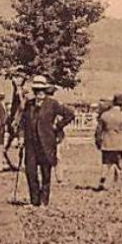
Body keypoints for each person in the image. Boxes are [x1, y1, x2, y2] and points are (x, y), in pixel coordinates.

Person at [20, 75, 75, 207]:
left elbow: (70, 114)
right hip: (31, 144)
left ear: (46, 91)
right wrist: (21, 137)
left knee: (46, 173)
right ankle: (35, 201)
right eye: (37, 90)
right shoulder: (29, 104)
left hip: (46, 144)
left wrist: (57, 126)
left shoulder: (53, 104)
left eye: (42, 90)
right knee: (30, 172)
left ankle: (44, 201)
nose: (39, 93)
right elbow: (23, 122)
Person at [95, 94, 122, 189]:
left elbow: (98, 130)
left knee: (105, 163)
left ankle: (102, 180)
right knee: (118, 163)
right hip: (118, 143)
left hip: (107, 142)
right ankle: (117, 184)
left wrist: (98, 142)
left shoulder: (104, 115)